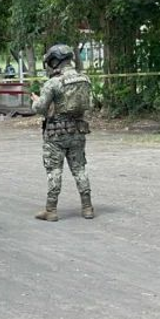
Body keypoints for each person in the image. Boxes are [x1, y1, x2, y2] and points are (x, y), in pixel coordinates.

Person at [31, 44, 95, 221]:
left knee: (54, 171)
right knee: (80, 169)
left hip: (56, 134)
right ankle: (87, 207)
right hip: (78, 131)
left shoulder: (53, 83)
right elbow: (90, 103)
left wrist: (35, 101)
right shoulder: (85, 79)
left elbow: (40, 108)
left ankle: (51, 210)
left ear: (54, 61)